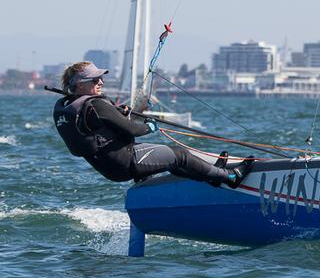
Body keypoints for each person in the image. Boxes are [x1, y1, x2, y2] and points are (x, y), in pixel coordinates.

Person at [53, 61, 252, 187]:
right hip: (126, 162)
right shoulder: (96, 105)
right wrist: (149, 126)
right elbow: (132, 129)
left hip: (110, 168)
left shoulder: (66, 107)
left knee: (168, 159)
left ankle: (211, 176)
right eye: (95, 79)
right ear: (80, 84)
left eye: (101, 77)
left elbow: (100, 129)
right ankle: (229, 177)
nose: (101, 82)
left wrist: (118, 113)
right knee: (178, 154)